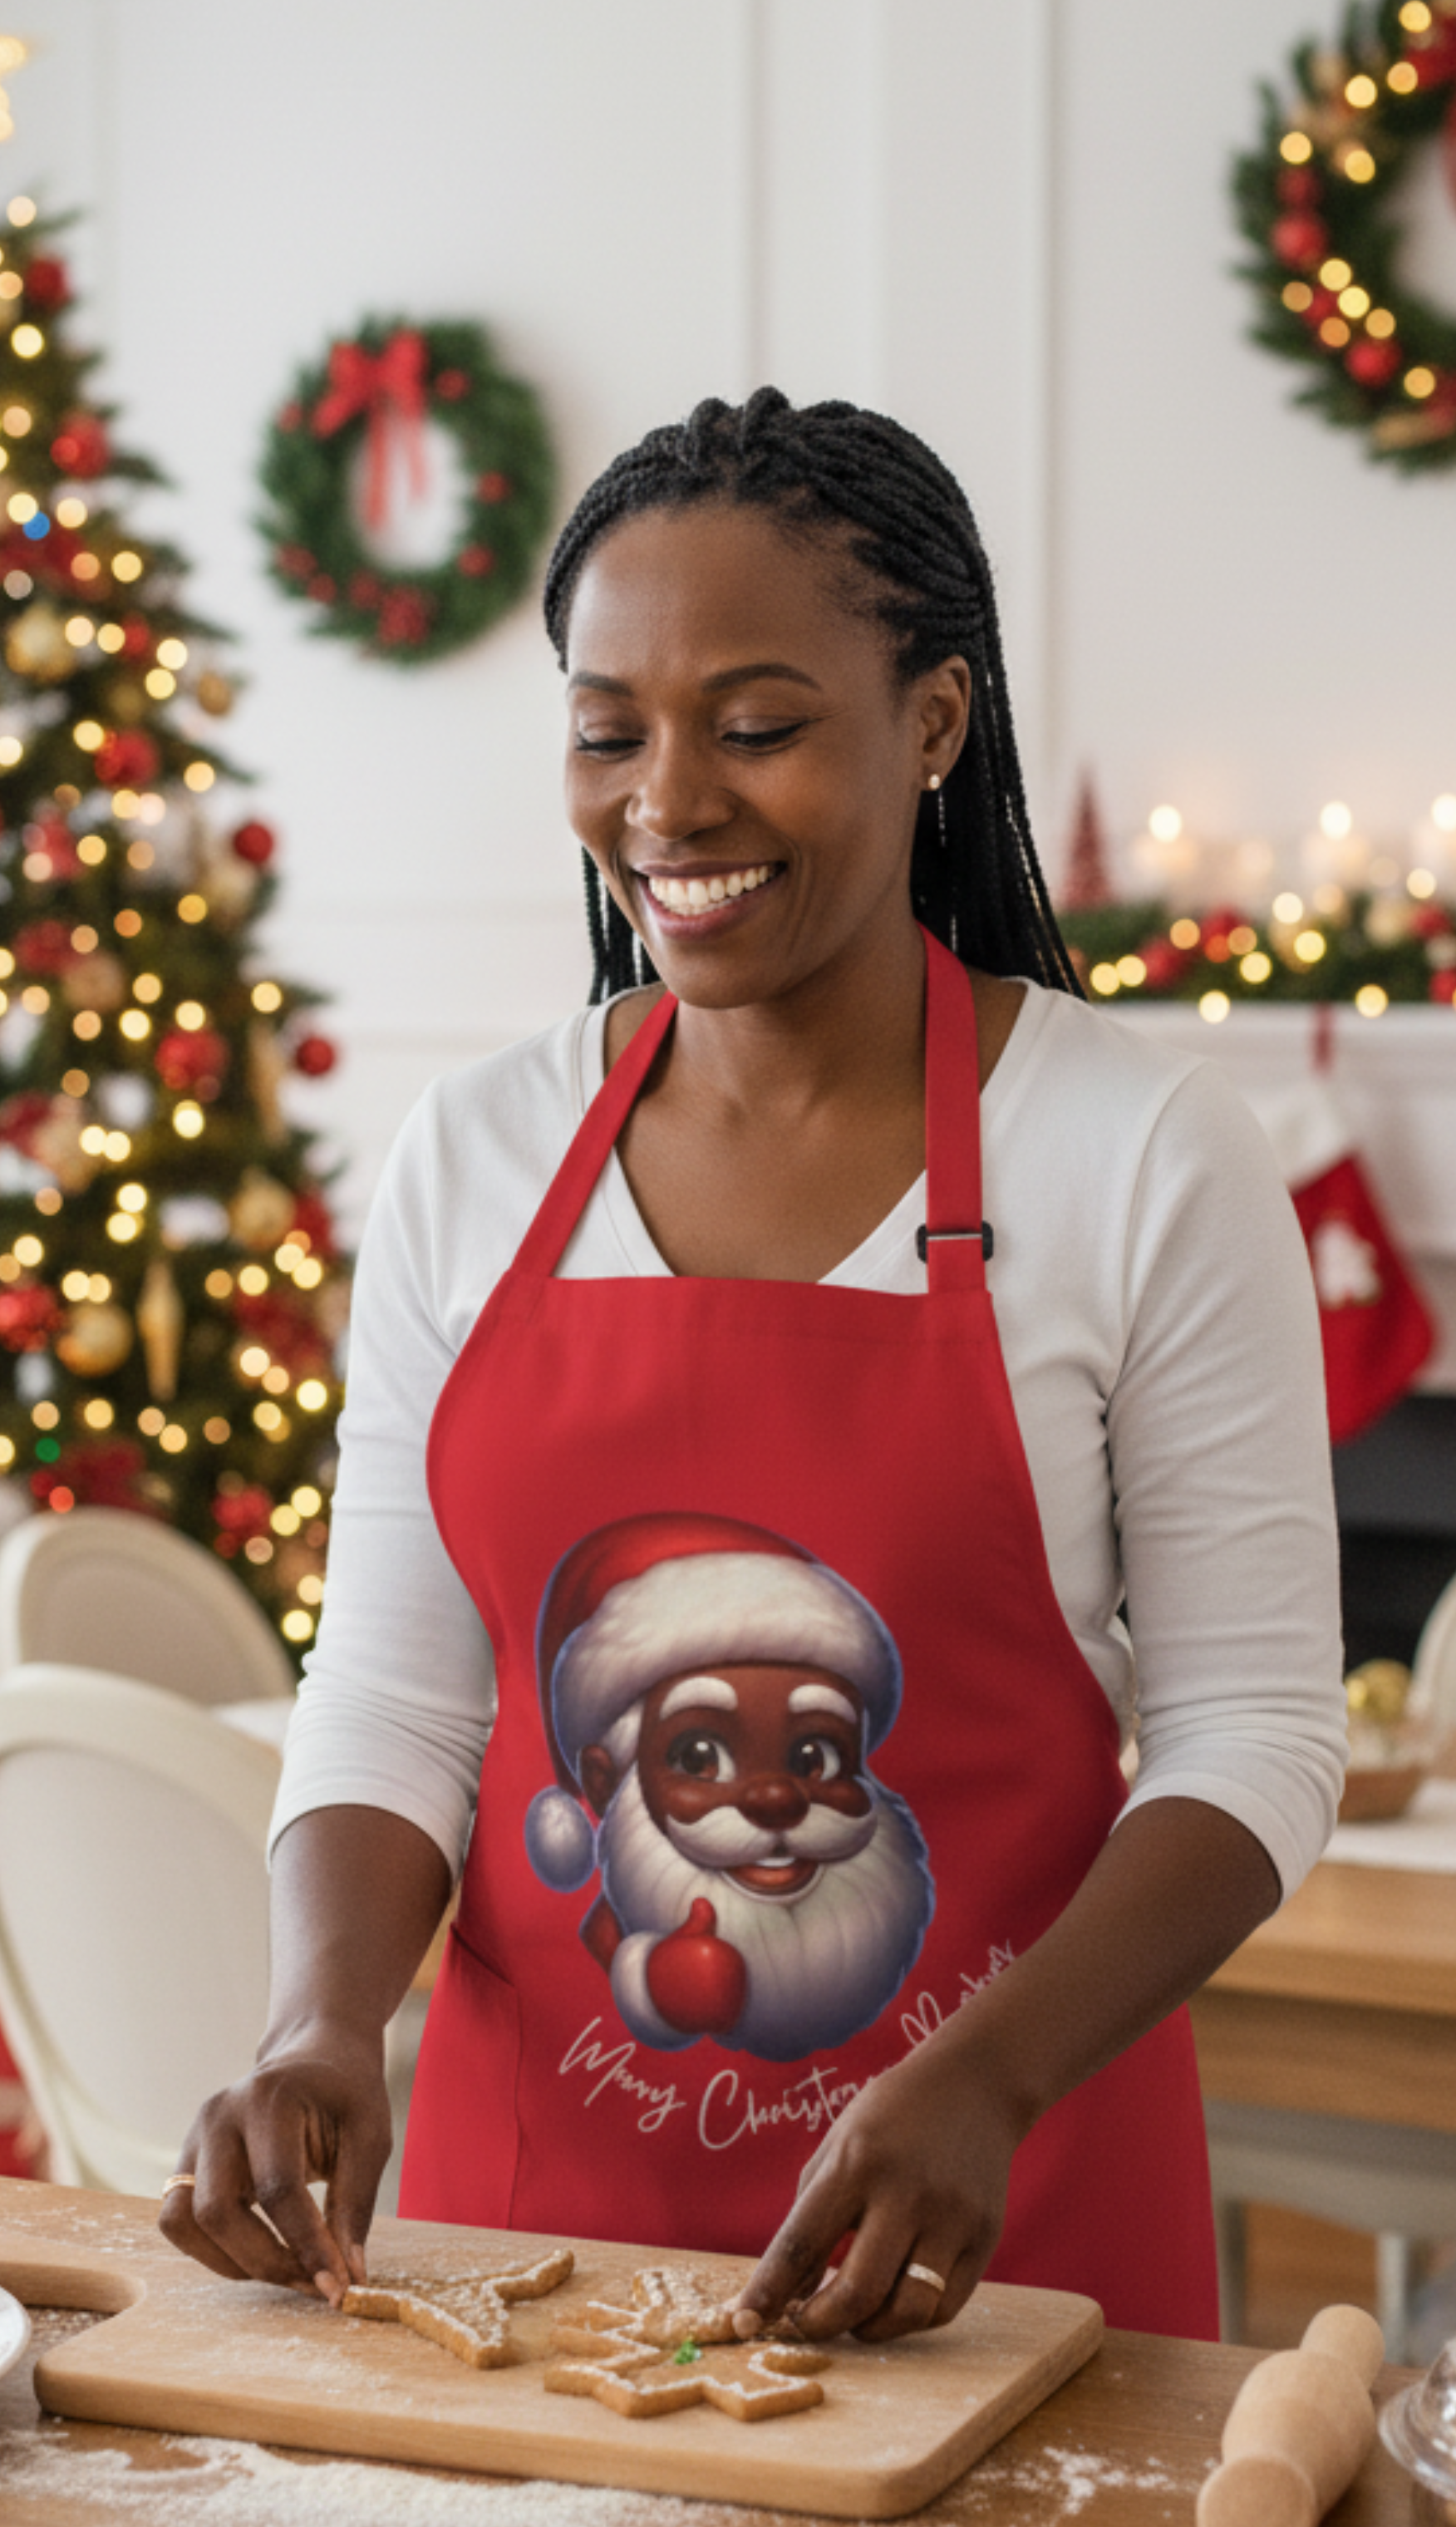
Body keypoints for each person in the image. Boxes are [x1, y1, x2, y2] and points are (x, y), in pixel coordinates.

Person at [160, 389, 1345, 2344]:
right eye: (608, 728)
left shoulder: (1135, 1151)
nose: (668, 800)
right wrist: (320, 2021)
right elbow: (392, 1697)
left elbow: (1252, 1736)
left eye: (759, 726)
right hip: (515, 2255)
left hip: (1001, 2234)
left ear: (935, 725)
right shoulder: (475, 1152)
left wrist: (986, 2075)